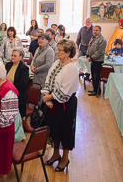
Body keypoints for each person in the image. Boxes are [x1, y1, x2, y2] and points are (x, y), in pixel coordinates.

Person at [42, 40, 79, 172]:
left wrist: (49, 97)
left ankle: (65, 158)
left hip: (66, 104)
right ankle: (55, 153)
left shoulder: (72, 68)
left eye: (60, 50)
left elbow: (65, 91)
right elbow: (48, 79)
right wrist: (47, 98)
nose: (56, 52)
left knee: (65, 131)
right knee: (54, 129)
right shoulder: (57, 63)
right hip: (53, 102)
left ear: (68, 53)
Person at [5, 48, 30, 118]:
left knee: (19, 117)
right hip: (7, 94)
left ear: (21, 57)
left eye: (15, 56)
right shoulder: (8, 65)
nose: (12, 57)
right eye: (12, 55)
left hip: (19, 96)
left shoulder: (24, 68)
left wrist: (10, 89)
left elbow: (22, 84)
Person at [86, 25, 107, 96]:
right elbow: (89, 47)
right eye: (94, 30)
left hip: (98, 61)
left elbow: (100, 52)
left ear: (100, 31)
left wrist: (91, 58)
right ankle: (94, 90)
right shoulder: (93, 38)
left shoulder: (102, 39)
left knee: (97, 77)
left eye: (96, 30)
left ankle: (97, 91)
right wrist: (88, 56)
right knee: (93, 76)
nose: (94, 31)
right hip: (93, 60)